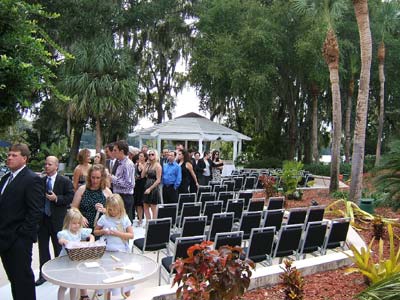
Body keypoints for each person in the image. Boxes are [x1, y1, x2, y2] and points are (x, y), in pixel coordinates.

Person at [0, 143, 43, 300]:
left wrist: (22, 237)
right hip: (4, 238)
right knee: (14, 280)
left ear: (24, 158)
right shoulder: (5, 178)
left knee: (22, 281)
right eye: (9, 154)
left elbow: (35, 212)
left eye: (14, 155)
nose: (9, 157)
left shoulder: (32, 180)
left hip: (18, 241)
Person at [36, 156, 74, 286]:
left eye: (50, 164)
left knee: (59, 247)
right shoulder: (40, 181)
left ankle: (60, 273)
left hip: (57, 219)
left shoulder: (64, 181)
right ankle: (43, 274)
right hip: (42, 220)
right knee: (43, 248)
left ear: (56, 166)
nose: (47, 166)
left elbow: (70, 197)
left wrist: (57, 198)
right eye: (46, 164)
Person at [94, 194, 134, 299]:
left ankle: (126, 295)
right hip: (107, 251)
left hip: (121, 251)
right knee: (107, 276)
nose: (113, 212)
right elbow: (96, 231)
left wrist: (117, 233)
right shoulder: (104, 218)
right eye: (110, 210)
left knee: (124, 276)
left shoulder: (124, 218)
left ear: (120, 208)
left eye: (115, 210)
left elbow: (131, 235)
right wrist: (103, 231)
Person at [57, 208, 94, 300]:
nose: (76, 225)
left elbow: (90, 235)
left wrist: (91, 241)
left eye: (78, 223)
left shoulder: (79, 231)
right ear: (68, 222)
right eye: (74, 223)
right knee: (64, 285)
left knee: (73, 284)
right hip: (66, 262)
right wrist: (65, 242)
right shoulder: (65, 233)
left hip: (75, 261)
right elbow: (60, 240)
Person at [72, 164, 112, 231]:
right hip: (83, 226)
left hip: (100, 228)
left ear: (102, 178)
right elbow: (73, 208)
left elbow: (113, 211)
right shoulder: (82, 189)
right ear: (89, 177)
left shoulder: (107, 192)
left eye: (98, 178)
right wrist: (80, 217)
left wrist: (104, 210)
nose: (95, 181)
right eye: (93, 177)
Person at [110, 140, 135, 221]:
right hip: (118, 196)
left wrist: (113, 179)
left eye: (115, 150)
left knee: (123, 223)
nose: (113, 152)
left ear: (122, 151)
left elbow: (130, 184)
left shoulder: (127, 164)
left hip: (125, 197)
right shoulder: (118, 162)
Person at [142, 150, 162, 221]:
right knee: (145, 205)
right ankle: (148, 223)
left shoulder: (158, 165)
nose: (150, 156)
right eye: (149, 155)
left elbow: (158, 180)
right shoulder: (148, 165)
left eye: (152, 154)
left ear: (155, 155)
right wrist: (146, 165)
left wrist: (150, 189)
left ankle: (154, 224)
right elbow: (142, 175)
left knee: (154, 207)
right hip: (147, 185)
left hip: (154, 188)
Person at [134, 151, 147, 226]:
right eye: (139, 156)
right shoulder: (136, 165)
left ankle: (145, 217)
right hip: (138, 184)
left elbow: (146, 175)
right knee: (138, 203)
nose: (140, 157)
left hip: (144, 184)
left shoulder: (147, 165)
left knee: (144, 203)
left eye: (142, 156)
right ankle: (140, 219)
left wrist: (142, 168)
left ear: (145, 157)